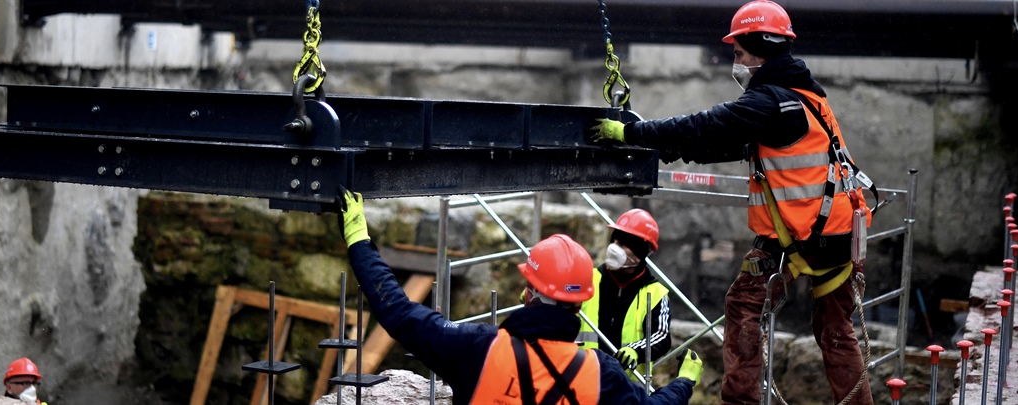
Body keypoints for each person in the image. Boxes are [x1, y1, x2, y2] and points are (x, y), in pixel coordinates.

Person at [587, 1, 875, 404]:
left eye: (739, 53)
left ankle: (740, 402)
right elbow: (717, 144)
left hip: (800, 237)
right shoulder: (807, 100)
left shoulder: (769, 103)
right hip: (838, 236)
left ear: (760, 49)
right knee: (836, 332)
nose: (736, 63)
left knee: (742, 309)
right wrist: (664, 148)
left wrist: (632, 133)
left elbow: (705, 125)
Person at [336, 187, 701, 405]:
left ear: (529, 293)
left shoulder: (477, 348)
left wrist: (359, 241)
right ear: (579, 304)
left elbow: (397, 311)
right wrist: (684, 383)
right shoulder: (602, 374)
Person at [576, 209, 672, 381]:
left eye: (622, 244)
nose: (613, 249)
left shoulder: (656, 293)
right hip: (584, 378)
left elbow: (662, 336)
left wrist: (636, 350)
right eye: (614, 241)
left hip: (626, 386)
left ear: (639, 253)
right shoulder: (587, 279)